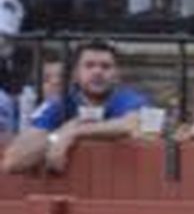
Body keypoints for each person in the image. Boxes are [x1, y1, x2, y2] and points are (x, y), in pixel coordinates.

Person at [2, 39, 146, 175]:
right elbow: (12, 161)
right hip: (63, 192)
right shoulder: (59, 103)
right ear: (76, 74)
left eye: (106, 66)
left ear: (116, 75)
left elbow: (133, 124)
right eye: (89, 65)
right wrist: (55, 137)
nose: (97, 72)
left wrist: (73, 131)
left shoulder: (127, 99)